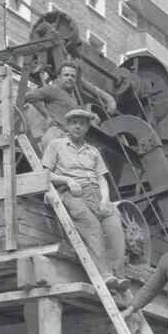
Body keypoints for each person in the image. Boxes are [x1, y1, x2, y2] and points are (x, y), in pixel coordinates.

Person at [42, 109, 129, 290]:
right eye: (74, 122)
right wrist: (67, 180)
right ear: (68, 125)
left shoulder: (94, 151)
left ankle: (118, 275)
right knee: (92, 226)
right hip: (72, 193)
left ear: (87, 127)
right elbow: (44, 174)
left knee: (114, 225)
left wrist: (105, 199)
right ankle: (105, 274)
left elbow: (102, 178)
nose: (78, 126)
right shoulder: (56, 145)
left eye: (82, 123)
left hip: (96, 194)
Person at [25, 61, 82, 151]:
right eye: (66, 75)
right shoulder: (53, 89)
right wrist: (47, 116)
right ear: (59, 77)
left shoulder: (73, 98)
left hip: (68, 137)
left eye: (73, 76)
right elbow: (31, 96)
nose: (70, 78)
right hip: (56, 134)